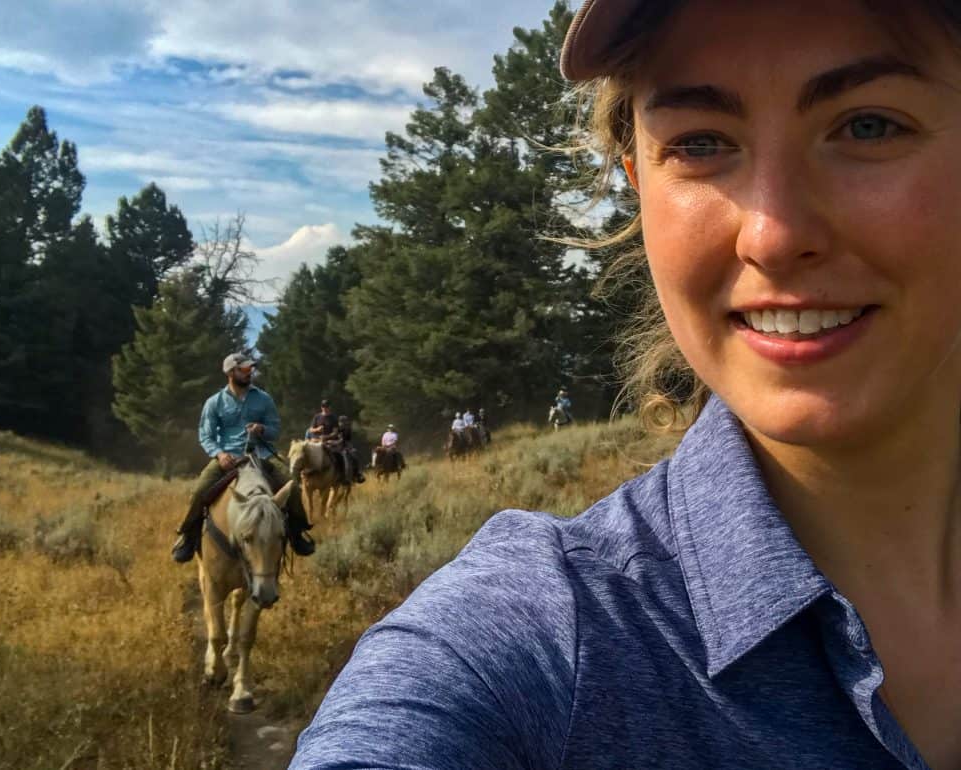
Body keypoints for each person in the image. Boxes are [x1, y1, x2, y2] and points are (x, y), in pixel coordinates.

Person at [292, 2, 961, 768]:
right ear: (637, 183)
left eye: (868, 125)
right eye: (700, 142)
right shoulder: (524, 649)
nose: (773, 234)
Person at [171, 353, 314, 563]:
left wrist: (262, 429)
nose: (250, 373)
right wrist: (219, 454)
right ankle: (188, 536)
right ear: (230, 372)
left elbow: (275, 429)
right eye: (244, 370)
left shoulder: (264, 399)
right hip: (228, 456)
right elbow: (206, 435)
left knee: (292, 486)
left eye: (251, 369)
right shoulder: (214, 402)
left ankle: (297, 533)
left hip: (262, 455)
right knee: (199, 490)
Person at [332, 414, 366, 484]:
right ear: (338, 422)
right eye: (341, 422)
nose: (342, 423)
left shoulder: (347, 429)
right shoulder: (335, 429)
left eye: (344, 422)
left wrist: (334, 442)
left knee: (354, 456)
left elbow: (344, 440)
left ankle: (357, 473)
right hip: (334, 446)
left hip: (344, 446)